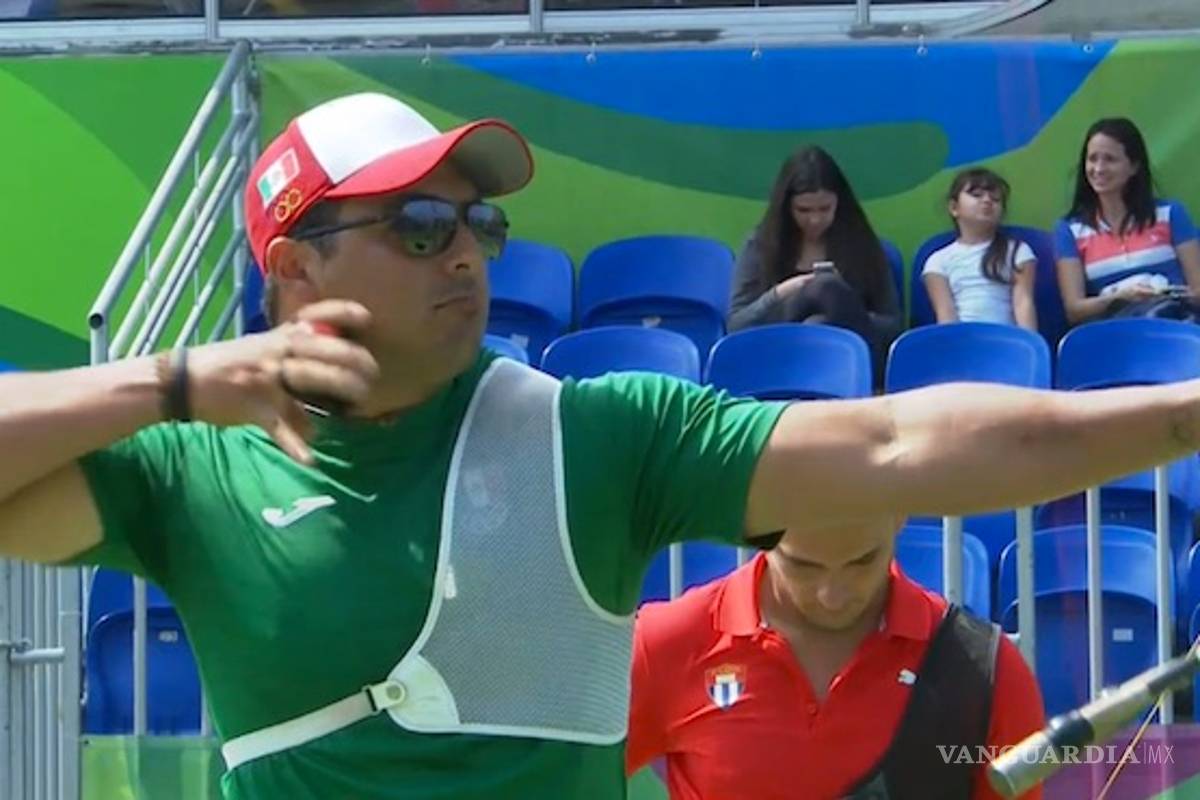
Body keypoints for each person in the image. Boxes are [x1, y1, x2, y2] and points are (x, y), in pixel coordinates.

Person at [2, 92, 1200, 799]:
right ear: (294, 268)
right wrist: (163, 381)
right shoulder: (192, 462)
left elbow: (896, 441)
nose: (469, 251)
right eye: (420, 224)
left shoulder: (592, 432)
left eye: (479, 219)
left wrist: (1184, 412)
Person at [626, 517, 1045, 800]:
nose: (833, 595)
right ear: (755, 529)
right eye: (804, 566)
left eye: (862, 561)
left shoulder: (989, 670)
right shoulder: (665, 642)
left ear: (899, 515)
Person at [727, 146, 903, 378]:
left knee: (823, 308)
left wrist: (846, 305)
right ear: (786, 207)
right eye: (803, 210)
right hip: (776, 353)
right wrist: (781, 293)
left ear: (839, 203)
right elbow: (736, 325)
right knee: (821, 294)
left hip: (855, 357)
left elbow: (893, 325)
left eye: (825, 208)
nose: (815, 219)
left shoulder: (863, 245)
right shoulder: (761, 245)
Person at [1054, 117, 1200, 324]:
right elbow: (1074, 309)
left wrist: (1170, 293)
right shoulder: (1069, 230)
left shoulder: (1170, 213)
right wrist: (1120, 298)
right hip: (1117, 334)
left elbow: (1198, 289)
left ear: (1133, 166)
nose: (1098, 169)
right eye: (1092, 159)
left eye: (1110, 159)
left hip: (1174, 325)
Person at [923, 167, 1038, 331]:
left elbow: (1023, 304)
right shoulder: (937, 261)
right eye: (976, 195)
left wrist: (1031, 347)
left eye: (996, 199)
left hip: (1008, 342)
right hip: (963, 342)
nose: (987, 201)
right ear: (954, 208)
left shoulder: (1018, 252)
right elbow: (946, 314)